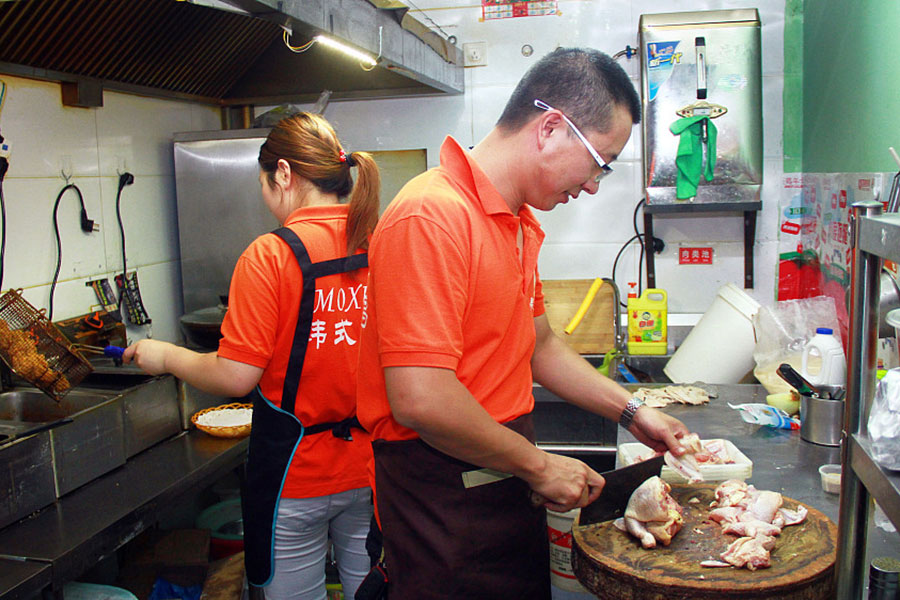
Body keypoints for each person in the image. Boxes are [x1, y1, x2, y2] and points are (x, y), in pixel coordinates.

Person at [355, 48, 693, 600]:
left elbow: (538, 345)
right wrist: (537, 466)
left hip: (499, 471)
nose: (592, 186)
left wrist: (633, 412)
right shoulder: (432, 216)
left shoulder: (515, 221)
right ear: (551, 128)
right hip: (442, 491)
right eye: (599, 163)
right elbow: (421, 398)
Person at [124, 112, 380, 600]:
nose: (266, 198)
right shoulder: (378, 242)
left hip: (295, 473)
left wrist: (166, 356)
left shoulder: (271, 255)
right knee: (372, 591)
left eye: (264, 183)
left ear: (283, 174)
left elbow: (235, 375)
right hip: (370, 467)